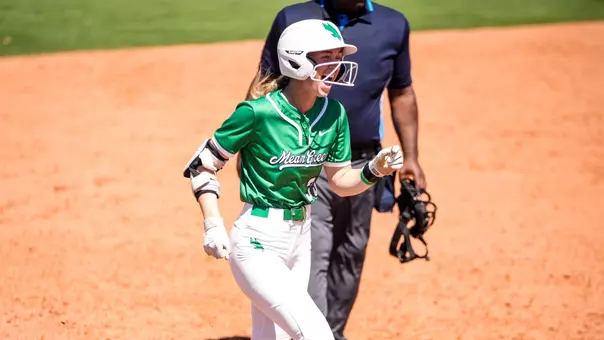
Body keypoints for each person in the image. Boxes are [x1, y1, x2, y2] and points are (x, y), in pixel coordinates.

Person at [182, 19, 404, 340]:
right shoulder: (257, 113)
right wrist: (213, 223)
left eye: (338, 57)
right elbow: (202, 165)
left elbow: (340, 180)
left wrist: (374, 170)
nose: (337, 66)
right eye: (326, 58)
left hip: (301, 240)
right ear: (297, 59)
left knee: (275, 338)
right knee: (316, 335)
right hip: (257, 241)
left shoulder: (333, 114)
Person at [238, 1, 428, 339]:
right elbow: (265, 78)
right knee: (316, 250)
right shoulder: (294, 18)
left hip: (362, 158)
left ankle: (332, 332)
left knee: (350, 251)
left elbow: (402, 91)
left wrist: (410, 158)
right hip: (305, 159)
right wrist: (252, 143)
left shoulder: (392, 23)